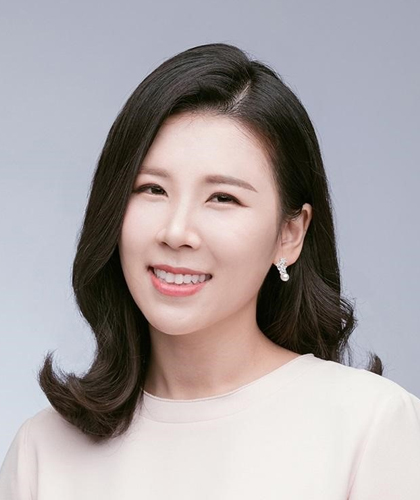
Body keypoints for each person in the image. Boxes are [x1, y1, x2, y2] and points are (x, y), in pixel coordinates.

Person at [1, 42, 419, 499]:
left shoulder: (371, 426)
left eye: (223, 198)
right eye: (152, 189)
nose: (176, 231)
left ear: (290, 233)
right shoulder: (42, 450)